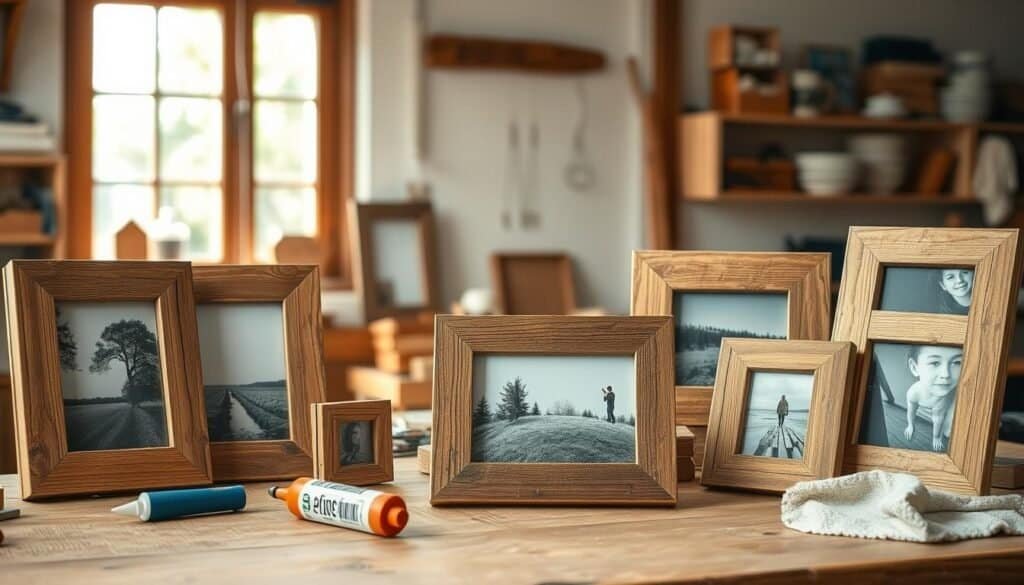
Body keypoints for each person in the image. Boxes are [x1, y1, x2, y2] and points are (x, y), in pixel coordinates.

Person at [903, 345, 962, 452]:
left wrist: (936, 438)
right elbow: (911, 411)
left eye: (957, 362)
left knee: (946, 427)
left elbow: (938, 419)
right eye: (935, 363)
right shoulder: (913, 393)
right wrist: (910, 425)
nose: (946, 374)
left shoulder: (947, 397)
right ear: (914, 368)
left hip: (947, 405)